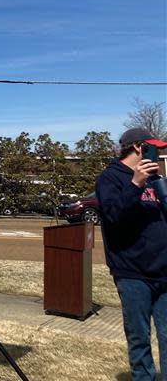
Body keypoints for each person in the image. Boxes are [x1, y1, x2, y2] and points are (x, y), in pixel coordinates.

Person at [95, 127, 166, 381]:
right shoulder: (110, 179)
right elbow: (115, 216)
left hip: (164, 271)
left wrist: (155, 182)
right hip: (133, 273)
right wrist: (135, 184)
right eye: (154, 148)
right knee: (140, 339)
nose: (157, 154)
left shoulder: (155, 179)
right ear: (139, 147)